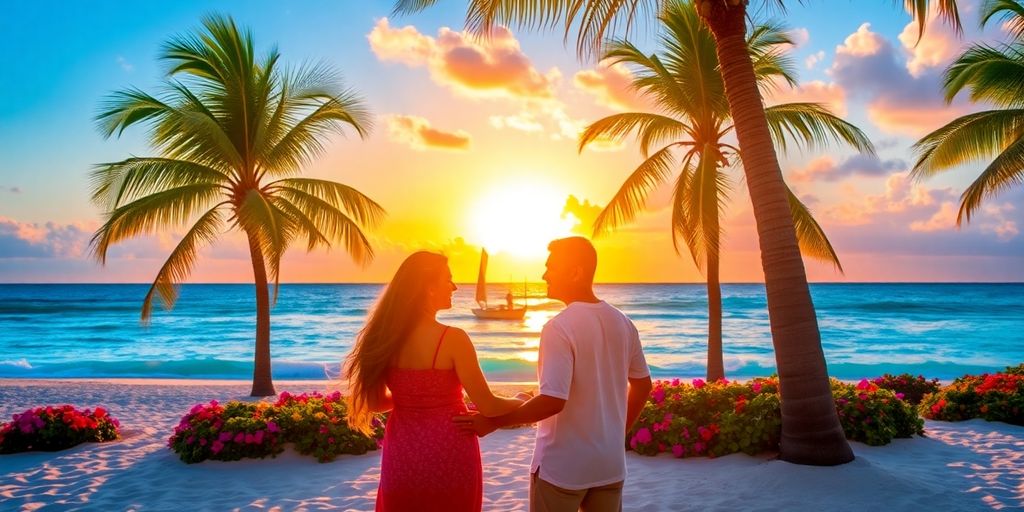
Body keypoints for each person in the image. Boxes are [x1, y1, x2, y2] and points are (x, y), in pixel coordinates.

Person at [455, 237, 653, 512]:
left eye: (552, 267)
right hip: (609, 465)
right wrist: (617, 436)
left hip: (563, 469)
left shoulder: (559, 327)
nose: (544, 274)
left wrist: (496, 422)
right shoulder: (623, 323)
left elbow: (552, 400)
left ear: (576, 272)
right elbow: (643, 386)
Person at [344, 251, 525, 512]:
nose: (455, 287)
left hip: (403, 456)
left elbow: (374, 402)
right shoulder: (453, 339)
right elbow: (489, 406)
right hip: (450, 451)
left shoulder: (383, 338)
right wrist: (520, 400)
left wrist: (413, 397)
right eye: (448, 279)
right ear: (428, 288)